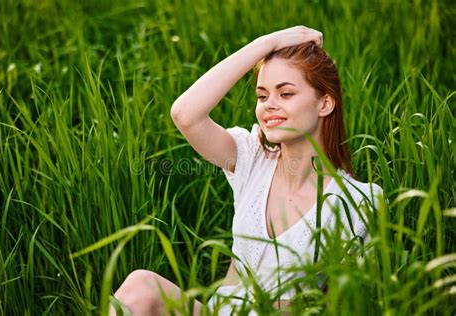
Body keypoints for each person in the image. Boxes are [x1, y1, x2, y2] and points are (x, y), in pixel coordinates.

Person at [111, 25, 383, 315]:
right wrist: (267, 43)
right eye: (262, 96)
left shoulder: (358, 201)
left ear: (325, 104)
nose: (270, 106)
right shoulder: (252, 158)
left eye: (286, 93)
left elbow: (349, 304)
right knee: (139, 286)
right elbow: (185, 114)